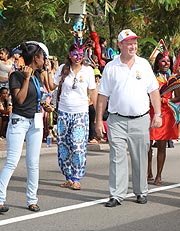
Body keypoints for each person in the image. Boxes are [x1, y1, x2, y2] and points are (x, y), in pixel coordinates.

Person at [95, 29, 162, 207]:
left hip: (140, 119)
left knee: (140, 157)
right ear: (120, 45)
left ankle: (141, 191)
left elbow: (153, 91)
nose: (133, 46)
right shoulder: (111, 67)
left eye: (134, 43)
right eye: (129, 43)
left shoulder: (144, 64)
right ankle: (117, 194)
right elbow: (102, 96)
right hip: (116, 120)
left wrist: (158, 114)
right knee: (116, 157)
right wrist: (98, 121)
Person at [0, 41, 52, 213]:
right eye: (42, 57)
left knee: (33, 163)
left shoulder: (37, 76)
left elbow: (34, 97)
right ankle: (0, 199)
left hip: (34, 123)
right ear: (35, 58)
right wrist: (27, 78)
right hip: (19, 122)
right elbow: (20, 100)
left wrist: (43, 104)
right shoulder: (16, 76)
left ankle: (32, 199)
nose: (44, 59)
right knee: (12, 162)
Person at [47, 43, 97, 190]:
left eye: (81, 54)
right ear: (69, 54)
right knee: (64, 146)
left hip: (80, 113)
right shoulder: (63, 69)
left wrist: (96, 111)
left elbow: (93, 91)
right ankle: (68, 177)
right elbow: (52, 86)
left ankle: (77, 177)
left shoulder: (88, 71)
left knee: (77, 146)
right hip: (63, 112)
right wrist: (48, 70)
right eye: (75, 54)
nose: (78, 57)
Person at [147, 51, 180, 185]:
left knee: (162, 146)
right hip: (150, 112)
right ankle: (148, 171)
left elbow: (178, 96)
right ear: (157, 62)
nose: (166, 64)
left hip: (165, 114)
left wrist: (167, 101)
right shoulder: (150, 77)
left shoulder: (173, 79)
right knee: (146, 146)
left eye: (168, 61)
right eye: (163, 61)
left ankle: (159, 175)